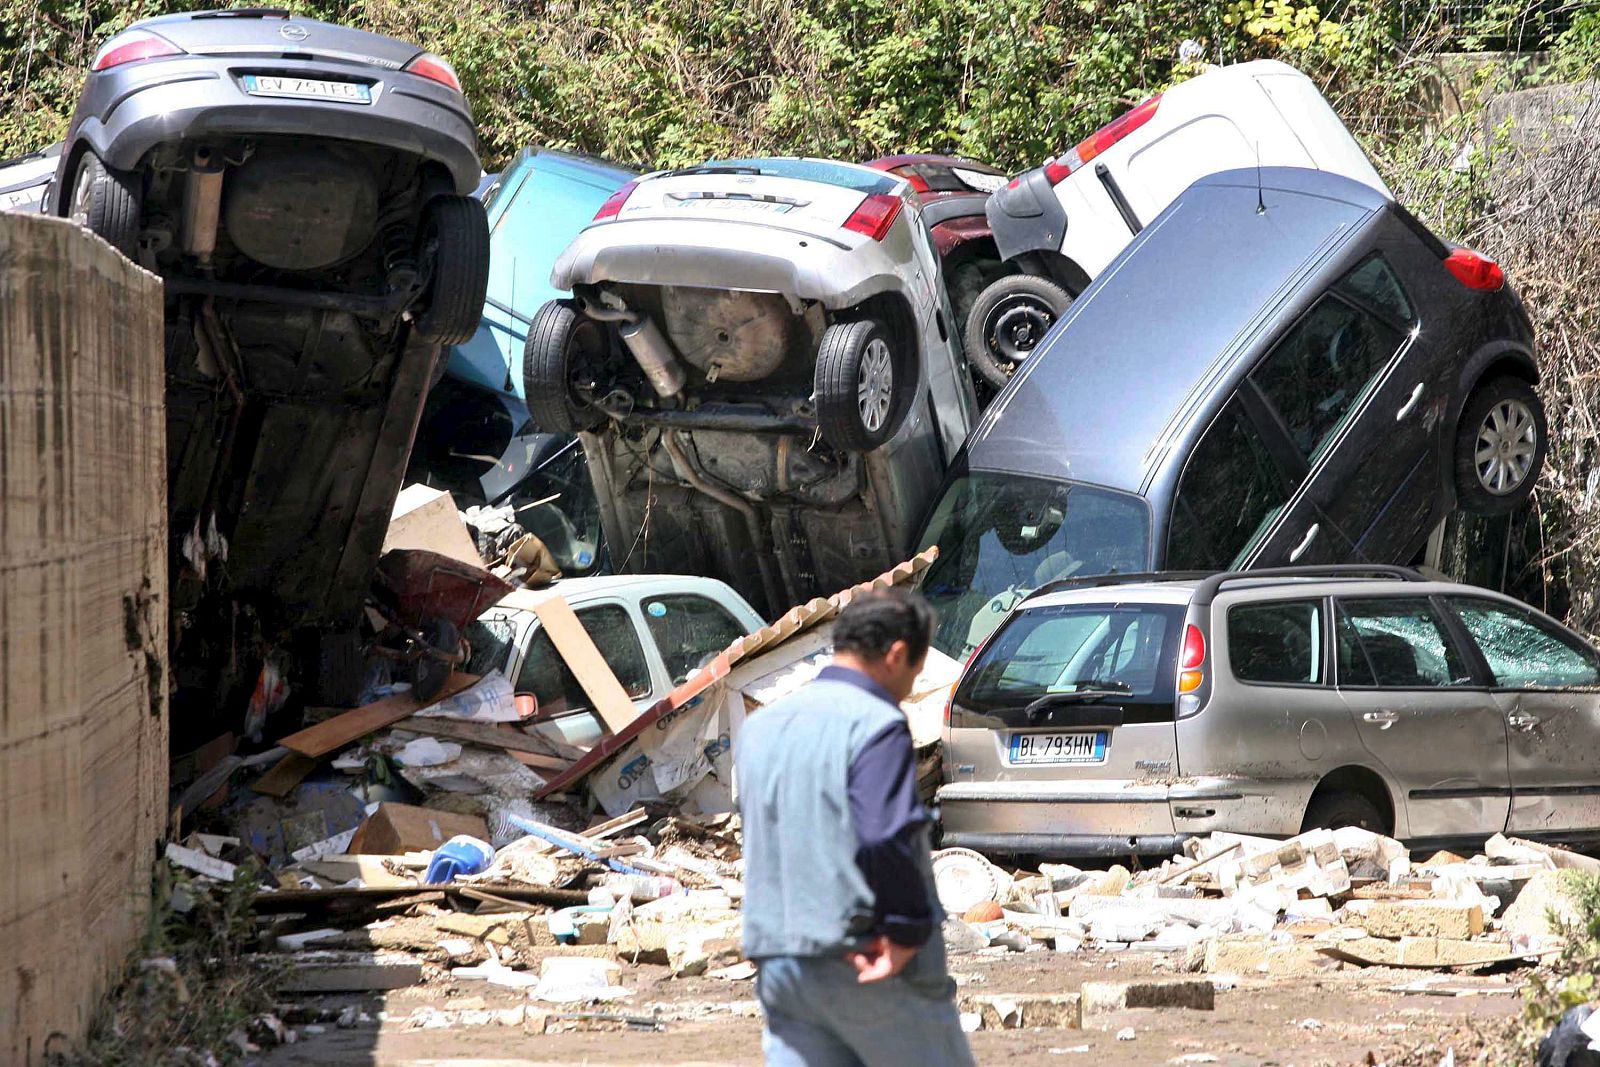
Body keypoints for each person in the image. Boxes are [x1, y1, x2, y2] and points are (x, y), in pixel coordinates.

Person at [735, 588, 974, 1067]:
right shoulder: (875, 723)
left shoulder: (761, 728)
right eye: (915, 671)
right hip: (866, 957)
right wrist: (905, 930)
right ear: (897, 654)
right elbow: (884, 834)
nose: (909, 686)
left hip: (779, 960)